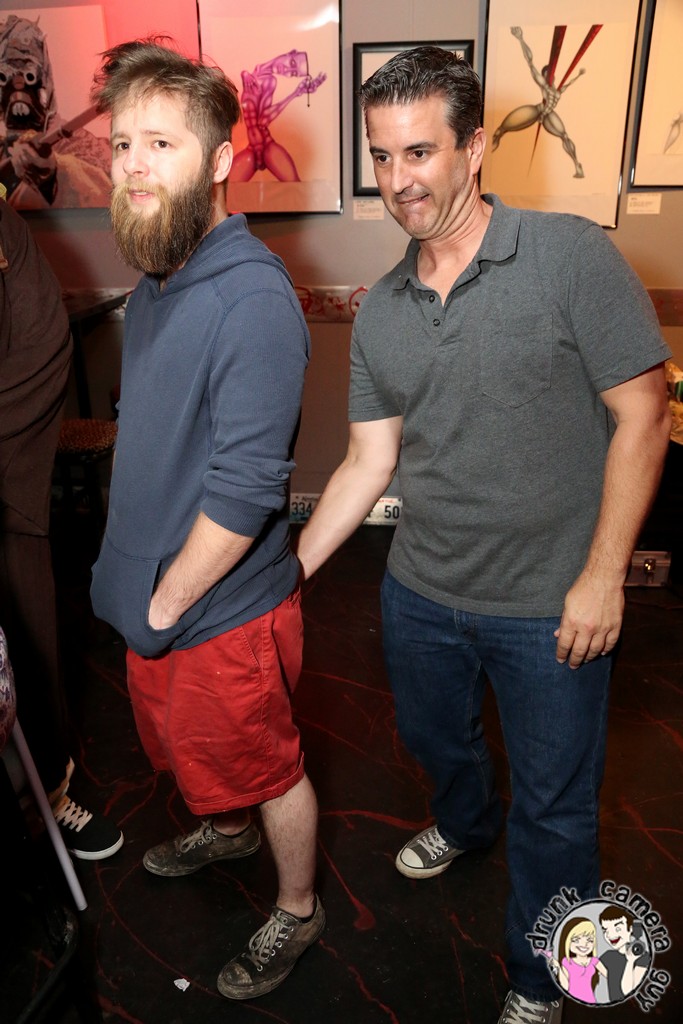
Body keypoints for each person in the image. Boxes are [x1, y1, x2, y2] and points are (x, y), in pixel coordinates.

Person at [295, 46, 670, 1024]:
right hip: (420, 592)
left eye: (419, 152)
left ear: (471, 149)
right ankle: (464, 823)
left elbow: (643, 414)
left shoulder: (567, 255)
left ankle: (541, 980)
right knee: (434, 742)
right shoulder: (382, 309)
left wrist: (603, 575)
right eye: (381, 157)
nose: (399, 180)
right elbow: (367, 462)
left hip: (552, 604)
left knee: (555, 808)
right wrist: (287, 574)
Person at [89, 39, 322, 1001]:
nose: (134, 166)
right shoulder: (159, 278)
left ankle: (298, 909)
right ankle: (225, 833)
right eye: (122, 144)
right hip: (158, 605)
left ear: (222, 159)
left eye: (161, 144)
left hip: (217, 615)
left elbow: (242, 494)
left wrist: (166, 604)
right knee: (199, 760)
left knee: (266, 768)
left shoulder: (252, 298)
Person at [0, 186, 123, 860]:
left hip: (4, 498)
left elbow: (47, 345)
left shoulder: (4, 228)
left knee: (27, 651)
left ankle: (49, 797)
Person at [0, 14, 111, 209]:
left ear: (44, 79)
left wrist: (52, 173)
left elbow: (106, 194)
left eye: (29, 76)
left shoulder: (85, 145)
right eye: (4, 77)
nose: (17, 89)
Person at [549, 917, 606, 1003]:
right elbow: (566, 986)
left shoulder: (594, 961)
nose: (584, 944)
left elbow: (610, 976)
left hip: (590, 1000)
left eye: (590, 940)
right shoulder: (567, 962)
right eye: (576, 940)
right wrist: (558, 967)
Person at [599, 906, 650, 1001]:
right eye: (605, 930)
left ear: (630, 929)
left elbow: (627, 991)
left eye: (617, 929)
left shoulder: (643, 957)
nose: (610, 935)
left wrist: (630, 961)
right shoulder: (608, 956)